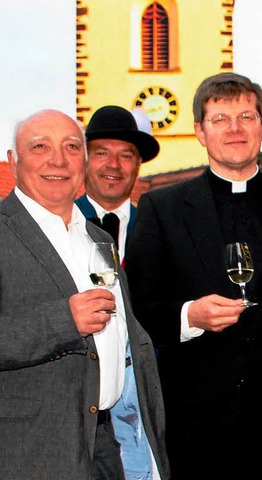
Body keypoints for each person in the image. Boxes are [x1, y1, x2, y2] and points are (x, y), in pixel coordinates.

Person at [124, 72, 262, 479]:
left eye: (246, 115)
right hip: (192, 428)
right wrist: (190, 316)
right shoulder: (161, 210)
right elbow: (136, 310)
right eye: (220, 118)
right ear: (200, 132)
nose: (235, 128)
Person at [0, 109, 169, 479]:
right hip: (30, 453)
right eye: (40, 146)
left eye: (72, 147)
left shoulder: (98, 239)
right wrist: (63, 322)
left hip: (110, 446)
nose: (58, 159)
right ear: (13, 160)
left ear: (83, 160)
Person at [76, 105, 160, 260]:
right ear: (84, 160)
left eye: (125, 156)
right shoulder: (60, 225)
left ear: (138, 164)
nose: (113, 164)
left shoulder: (156, 230)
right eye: (102, 153)